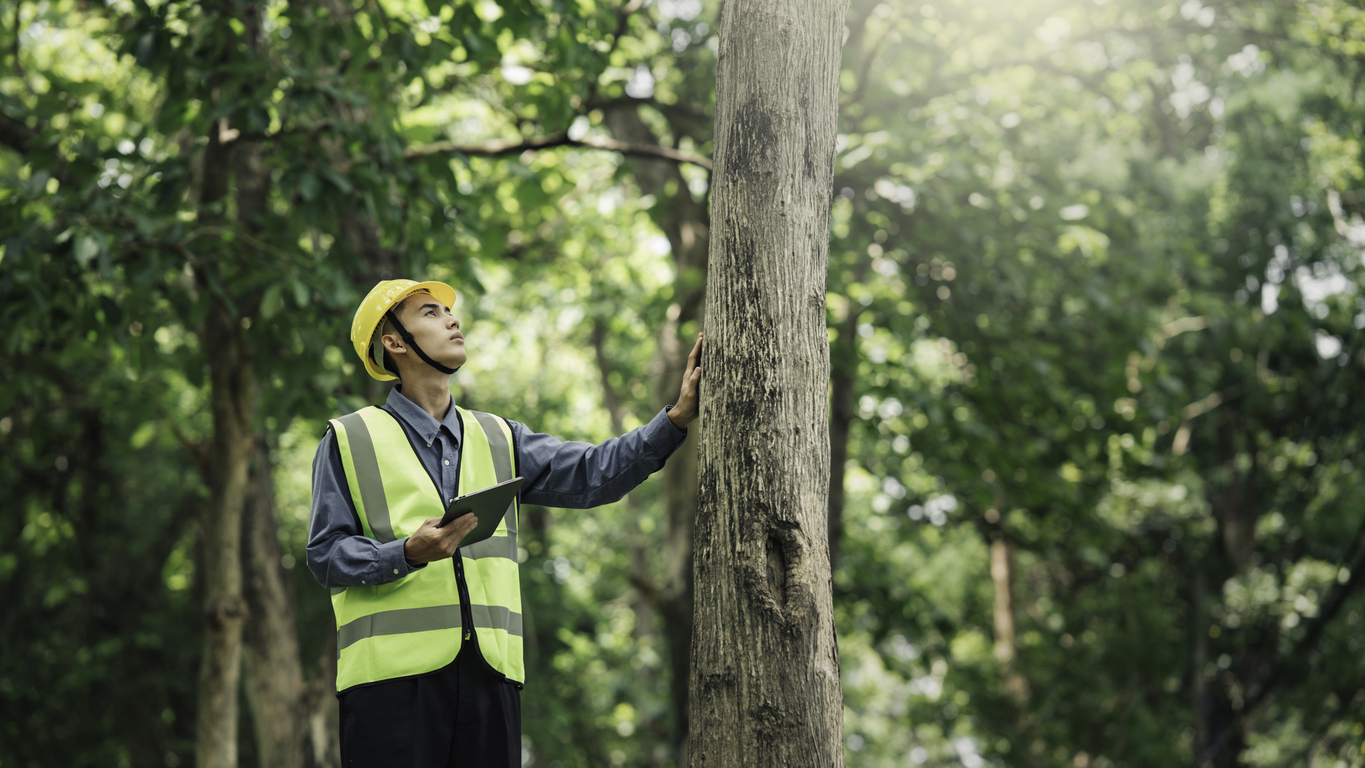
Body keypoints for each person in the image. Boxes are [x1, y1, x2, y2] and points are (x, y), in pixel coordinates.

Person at [307, 279, 702, 767]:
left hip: (490, 682)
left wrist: (676, 419)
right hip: (389, 690)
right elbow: (326, 554)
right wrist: (405, 553)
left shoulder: (499, 437)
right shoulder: (349, 438)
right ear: (394, 342)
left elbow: (593, 474)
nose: (452, 319)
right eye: (430, 313)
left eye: (448, 311)